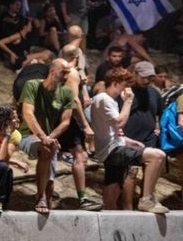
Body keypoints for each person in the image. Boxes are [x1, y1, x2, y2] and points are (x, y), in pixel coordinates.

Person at [92, 68, 168, 213]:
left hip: (114, 146)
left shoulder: (108, 100)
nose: (127, 88)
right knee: (158, 156)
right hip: (112, 150)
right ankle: (146, 199)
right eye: (125, 84)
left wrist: (127, 140)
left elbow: (109, 129)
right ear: (115, 83)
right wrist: (128, 101)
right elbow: (119, 122)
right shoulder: (104, 99)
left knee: (114, 184)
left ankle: (109, 215)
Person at [18, 58, 74, 214]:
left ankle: (45, 200)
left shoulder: (67, 92)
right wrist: (43, 137)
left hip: (49, 138)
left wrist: (50, 137)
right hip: (28, 134)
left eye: (68, 73)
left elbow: (66, 121)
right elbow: (28, 113)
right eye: (64, 72)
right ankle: (40, 197)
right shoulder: (33, 86)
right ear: (52, 71)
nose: (66, 76)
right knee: (46, 149)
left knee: (50, 184)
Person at [60, 45, 102, 211]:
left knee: (52, 155)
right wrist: (85, 125)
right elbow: (74, 100)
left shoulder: (57, 68)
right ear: (76, 57)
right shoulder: (71, 72)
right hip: (68, 118)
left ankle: (44, 196)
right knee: (81, 155)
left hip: (56, 116)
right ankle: (83, 198)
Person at [119, 61, 164, 210]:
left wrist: (157, 127)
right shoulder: (127, 91)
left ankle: (147, 199)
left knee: (151, 169)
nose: (146, 80)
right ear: (135, 74)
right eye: (143, 77)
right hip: (131, 137)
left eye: (149, 77)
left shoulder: (154, 93)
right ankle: (128, 207)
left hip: (149, 137)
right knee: (131, 172)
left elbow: (157, 113)